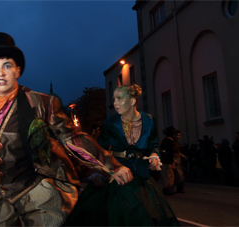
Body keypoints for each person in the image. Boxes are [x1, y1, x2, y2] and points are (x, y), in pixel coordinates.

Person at [0, 32, 130, 225]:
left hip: (35, 186)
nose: (1, 73)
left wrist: (112, 167)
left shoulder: (39, 102)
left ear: (17, 70)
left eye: (7, 66)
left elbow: (72, 138)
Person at [64, 84, 178, 226]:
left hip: (141, 175)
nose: (115, 103)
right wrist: (99, 173)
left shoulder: (149, 120)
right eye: (114, 99)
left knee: (148, 214)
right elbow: (101, 150)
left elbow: (153, 145)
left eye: (120, 99)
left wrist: (154, 156)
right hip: (116, 173)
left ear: (132, 101)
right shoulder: (110, 123)